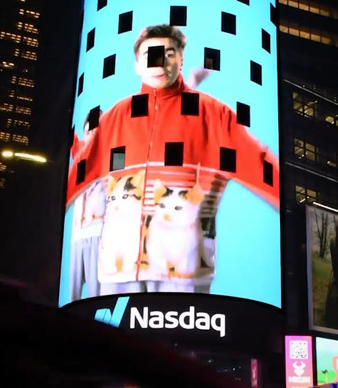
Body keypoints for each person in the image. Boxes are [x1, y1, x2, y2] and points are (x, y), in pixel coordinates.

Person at [66, 24, 279, 295]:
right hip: (118, 271)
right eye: (150, 54)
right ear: (136, 65)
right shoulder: (115, 118)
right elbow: (78, 173)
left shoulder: (213, 115)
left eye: (168, 53)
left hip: (184, 272)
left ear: (181, 59)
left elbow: (261, 167)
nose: (159, 61)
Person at [69, 114, 107, 301]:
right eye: (87, 130)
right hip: (77, 235)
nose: (90, 133)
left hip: (97, 233)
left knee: (96, 295)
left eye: (95, 129)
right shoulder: (79, 155)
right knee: (72, 297)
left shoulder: (113, 154)